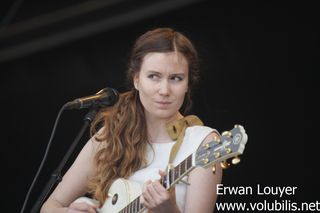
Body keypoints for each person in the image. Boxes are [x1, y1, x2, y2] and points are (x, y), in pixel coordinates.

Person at [40, 27, 222, 213]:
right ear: (136, 79)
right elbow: (49, 207)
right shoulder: (111, 135)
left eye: (176, 78)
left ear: (187, 85)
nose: (165, 90)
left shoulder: (204, 144)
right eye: (154, 77)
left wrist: (169, 210)